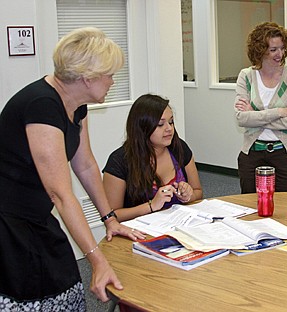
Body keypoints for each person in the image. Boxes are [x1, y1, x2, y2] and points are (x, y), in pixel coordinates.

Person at [0, 27, 146, 310]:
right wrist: (97, 261)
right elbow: (61, 195)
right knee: (28, 293)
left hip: (36, 214)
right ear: (87, 78)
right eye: (110, 75)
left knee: (63, 284)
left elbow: (86, 164)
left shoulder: (76, 104)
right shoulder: (42, 105)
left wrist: (110, 219)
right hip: (9, 220)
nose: (113, 81)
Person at [102, 94, 203, 222]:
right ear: (143, 128)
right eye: (160, 124)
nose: (169, 128)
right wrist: (151, 206)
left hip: (178, 224)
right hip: (139, 230)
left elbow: (198, 191)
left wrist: (189, 195)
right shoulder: (119, 161)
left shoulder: (179, 148)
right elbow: (111, 216)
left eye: (171, 122)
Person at [234, 22, 287, 194]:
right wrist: (278, 113)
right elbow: (241, 118)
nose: (279, 54)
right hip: (252, 153)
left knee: (286, 207)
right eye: (273, 49)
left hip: (285, 154)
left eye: (282, 48)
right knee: (251, 206)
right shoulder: (246, 76)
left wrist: (255, 117)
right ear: (260, 50)